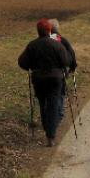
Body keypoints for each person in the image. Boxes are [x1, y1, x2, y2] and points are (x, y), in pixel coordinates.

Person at [18, 18, 71, 146]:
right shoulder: (56, 45)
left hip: (38, 79)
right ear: (49, 30)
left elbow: (22, 62)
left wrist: (31, 67)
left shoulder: (32, 45)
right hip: (55, 79)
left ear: (38, 31)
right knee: (53, 104)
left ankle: (47, 129)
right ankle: (50, 136)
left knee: (43, 104)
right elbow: (66, 61)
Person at [49, 18, 78, 120]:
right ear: (57, 28)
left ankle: (51, 112)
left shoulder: (43, 40)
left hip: (45, 72)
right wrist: (73, 67)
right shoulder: (62, 40)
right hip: (60, 72)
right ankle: (60, 112)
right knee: (61, 92)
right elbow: (71, 53)